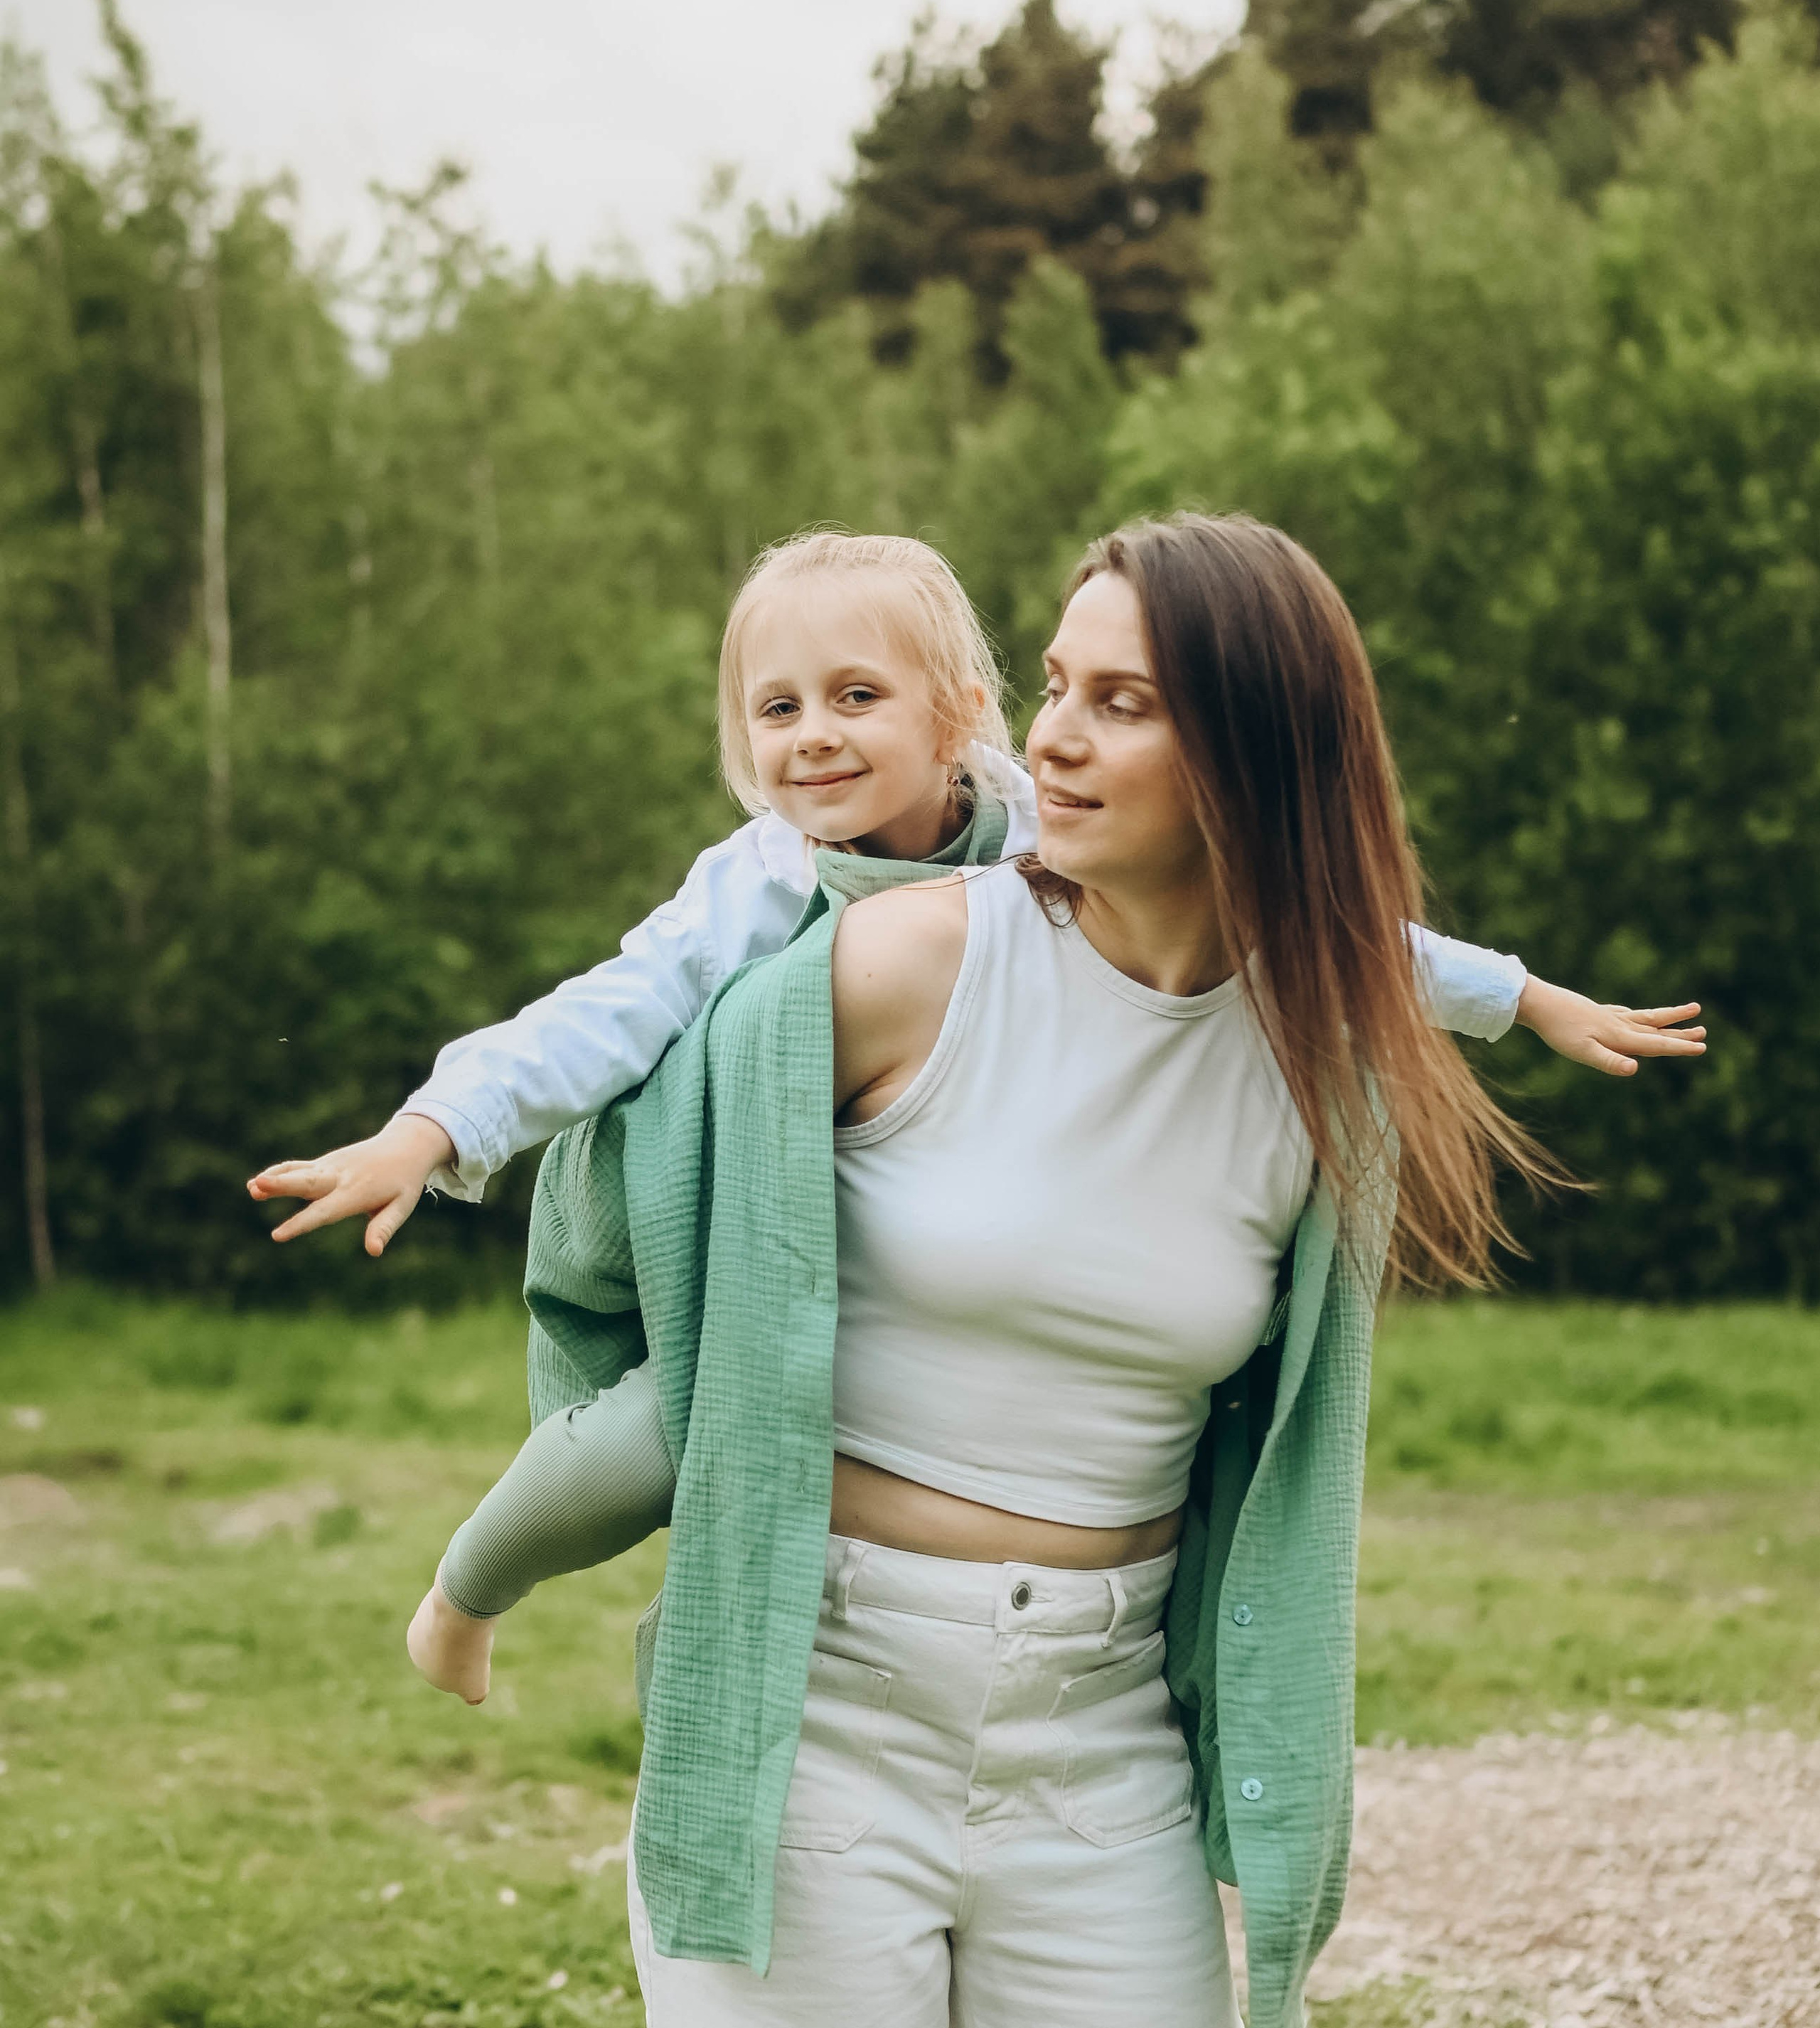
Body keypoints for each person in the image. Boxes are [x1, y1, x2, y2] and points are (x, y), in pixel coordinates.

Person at [518, 513, 1706, 2027]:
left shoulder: (1320, 1067)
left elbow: (1362, 943)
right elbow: (608, 1214)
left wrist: (1529, 996)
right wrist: (448, 1145)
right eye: (1056, 686)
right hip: (813, 1706)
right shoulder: (887, 967)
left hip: (1100, 1735)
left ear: (1251, 752)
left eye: (1121, 702)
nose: (1052, 739)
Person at [249, 531, 1696, 1714]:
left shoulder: (1033, 827)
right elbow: (601, 1012)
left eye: (854, 697)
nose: (811, 737)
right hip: (726, 1221)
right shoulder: (762, 880)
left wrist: (1521, 999)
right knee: (648, 1443)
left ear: (957, 714)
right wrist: (431, 1131)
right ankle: (462, 1595)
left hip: (895, 1249)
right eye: (776, 708)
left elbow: (1312, 914)